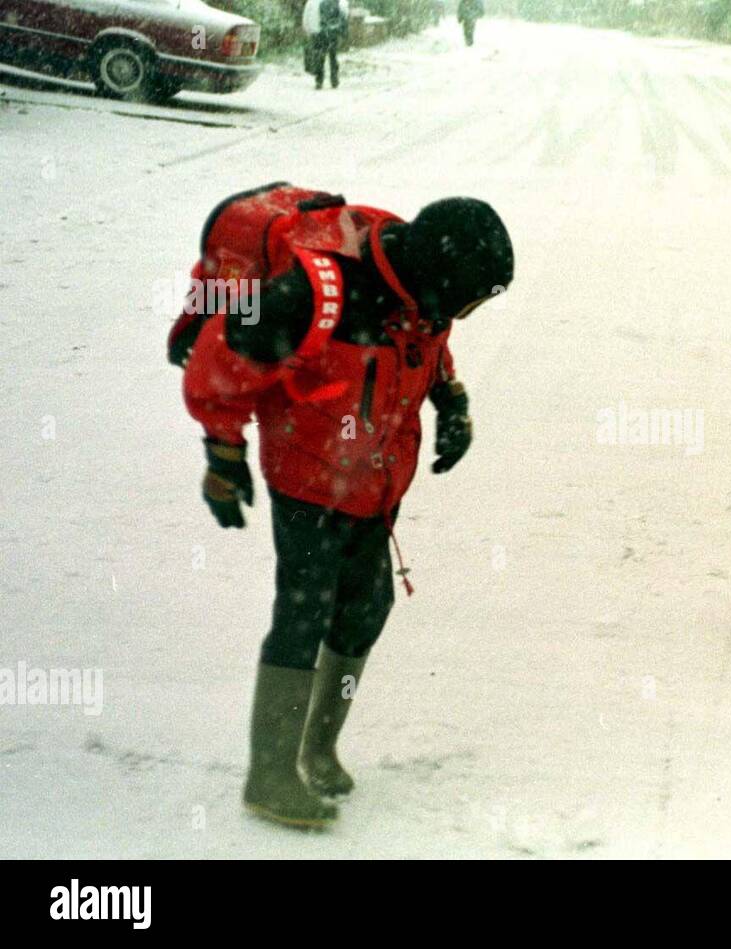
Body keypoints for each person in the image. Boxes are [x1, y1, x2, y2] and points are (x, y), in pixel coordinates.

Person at [183, 195, 514, 828]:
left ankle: (318, 744)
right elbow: (222, 362)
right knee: (303, 612)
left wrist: (452, 403)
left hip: (372, 479)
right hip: (306, 476)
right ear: (446, 281)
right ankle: (270, 773)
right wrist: (223, 458)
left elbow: (429, 345)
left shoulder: (423, 293)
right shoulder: (315, 292)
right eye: (474, 299)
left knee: (366, 609)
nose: (471, 313)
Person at [303, 0, 349, 90]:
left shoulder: (311, 2)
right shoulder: (338, 1)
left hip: (317, 32)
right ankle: (334, 79)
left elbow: (305, 17)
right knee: (333, 56)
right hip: (332, 32)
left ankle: (319, 81)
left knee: (319, 56)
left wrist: (307, 29)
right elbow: (344, 13)